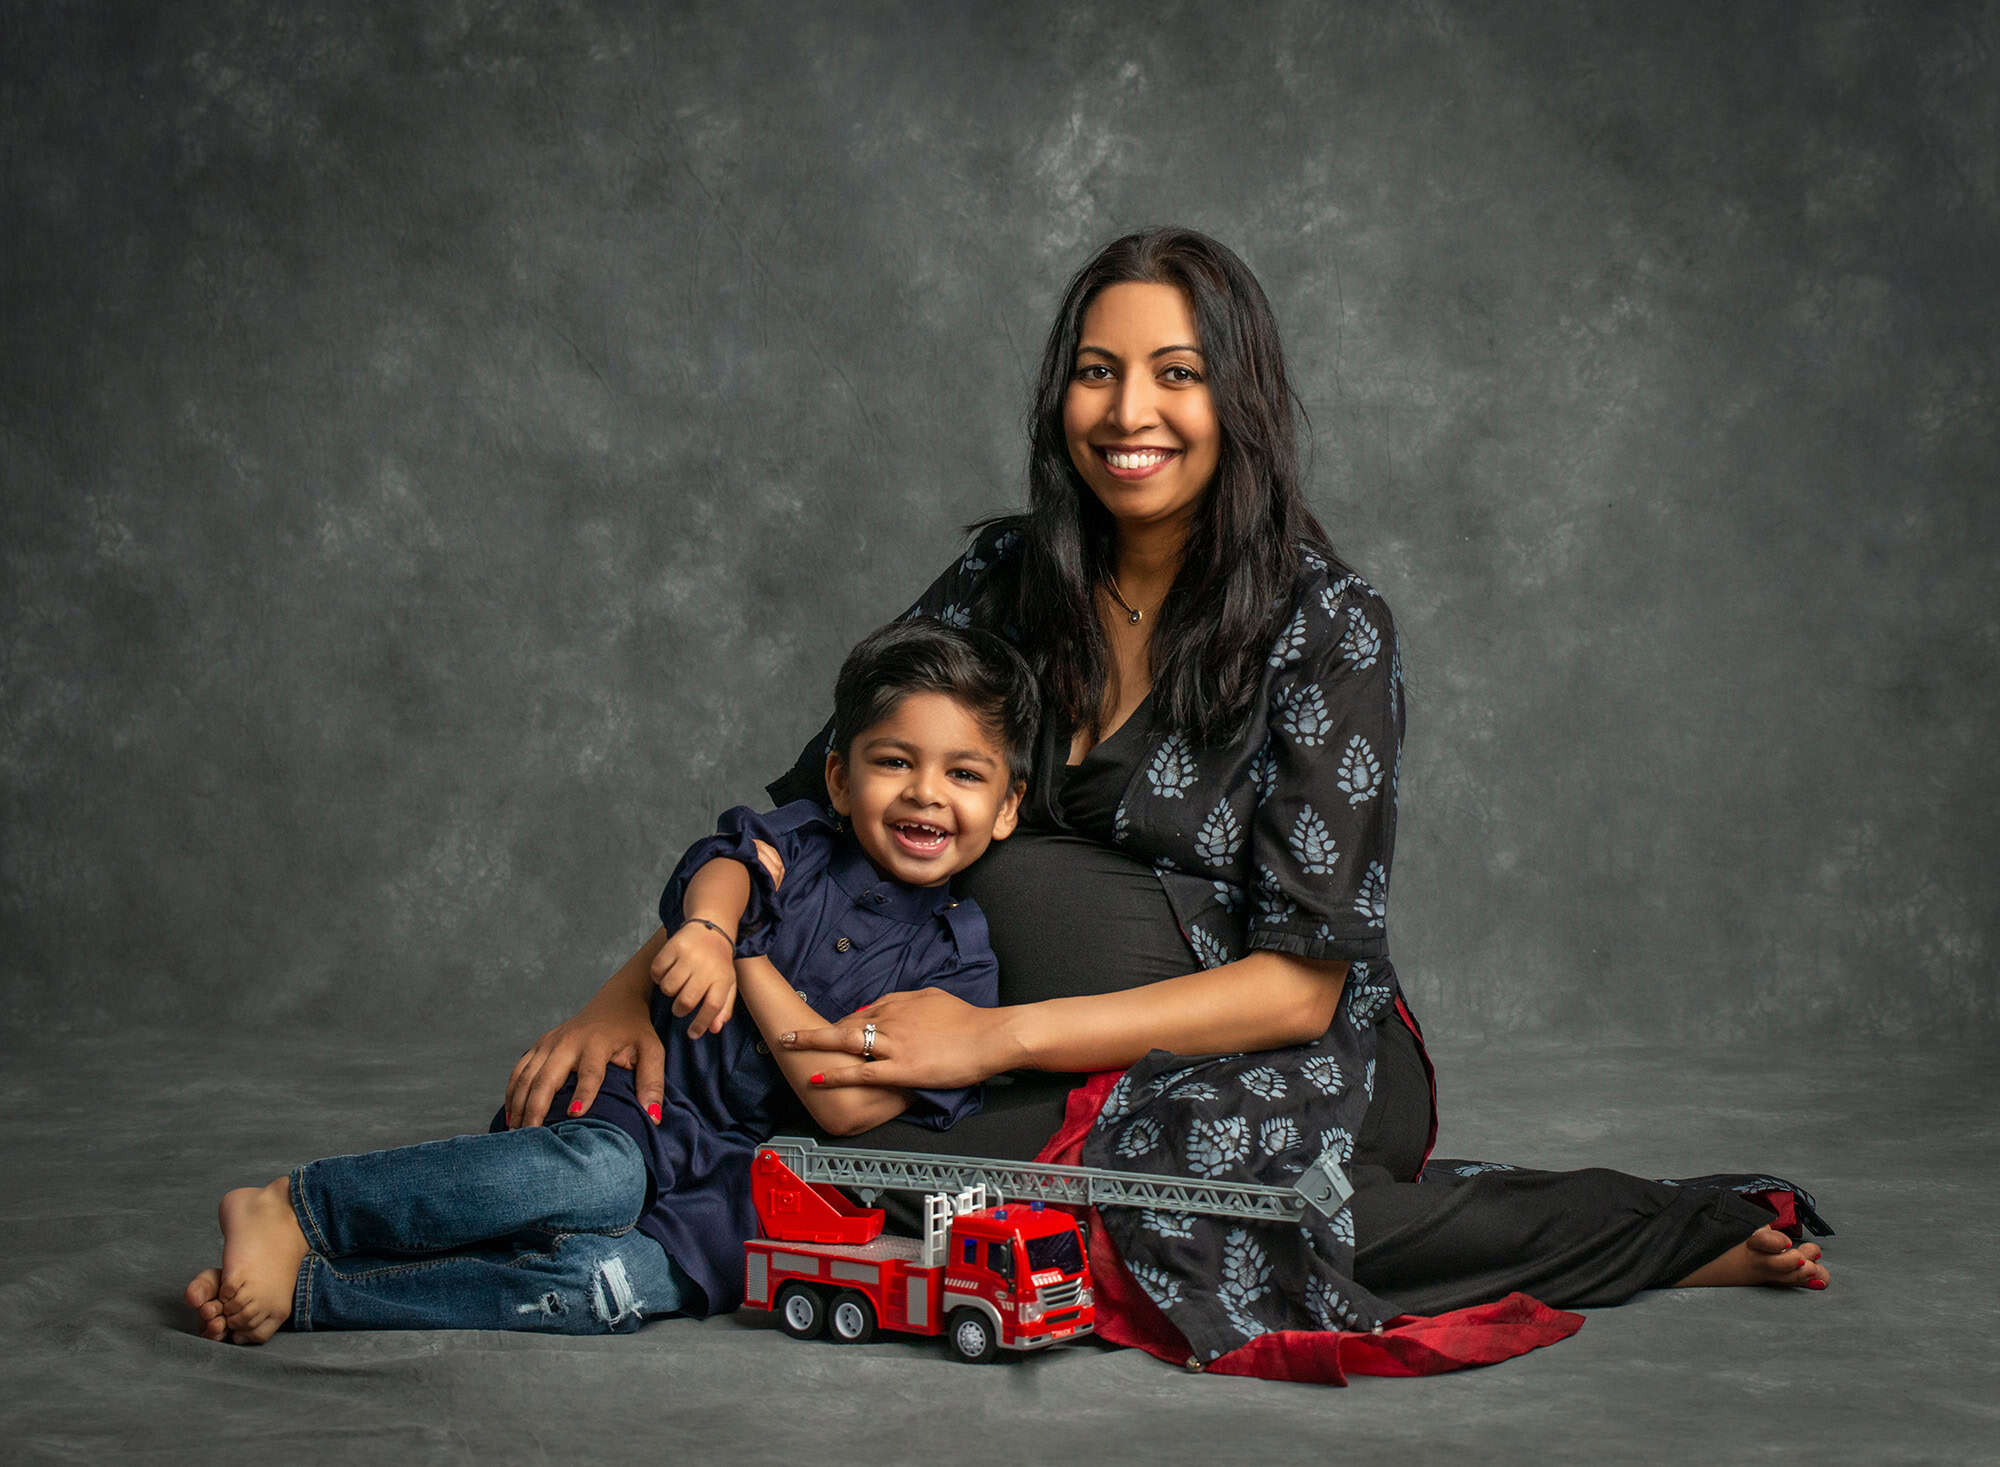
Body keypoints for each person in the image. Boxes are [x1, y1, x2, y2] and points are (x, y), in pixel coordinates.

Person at [517, 228, 1830, 1368]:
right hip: (1002, 1042)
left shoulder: (1329, 627)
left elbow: (1302, 985)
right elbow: (812, 810)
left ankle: (1661, 1233)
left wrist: (986, 1043)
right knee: (839, 1161)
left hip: (1274, 1058)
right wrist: (644, 976)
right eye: (1097, 371)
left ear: (1236, 397)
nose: (1127, 410)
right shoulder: (1003, 580)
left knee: (1136, 1221)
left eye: (1175, 373)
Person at [183, 618, 1037, 1344]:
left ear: (1006, 806)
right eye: (896, 762)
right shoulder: (803, 845)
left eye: (964, 774)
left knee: (603, 1288)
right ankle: (300, 1209)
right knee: (596, 1181)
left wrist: (746, 956)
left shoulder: (960, 963)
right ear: (842, 779)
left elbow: (841, 1104)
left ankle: (314, 1290)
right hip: (644, 1104)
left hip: (737, 1190)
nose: (926, 794)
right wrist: (710, 927)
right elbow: (726, 864)